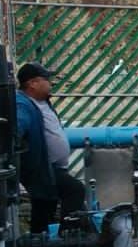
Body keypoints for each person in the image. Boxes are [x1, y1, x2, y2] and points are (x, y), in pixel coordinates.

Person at [15, 62, 86, 230]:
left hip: (52, 167)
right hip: (41, 168)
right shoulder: (22, 104)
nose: (50, 83)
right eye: (46, 79)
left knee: (45, 205)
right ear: (32, 83)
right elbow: (18, 126)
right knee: (74, 190)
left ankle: (39, 242)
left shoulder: (43, 102)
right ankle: (67, 236)